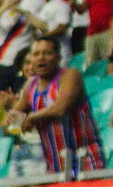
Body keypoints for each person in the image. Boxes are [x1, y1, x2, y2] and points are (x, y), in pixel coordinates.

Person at [8, 35, 106, 178]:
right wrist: (10, 118)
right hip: (55, 164)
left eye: (47, 53)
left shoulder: (70, 75)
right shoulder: (31, 85)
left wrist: (33, 117)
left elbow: (61, 107)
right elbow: (16, 114)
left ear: (58, 57)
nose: (41, 58)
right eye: (36, 54)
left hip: (85, 158)